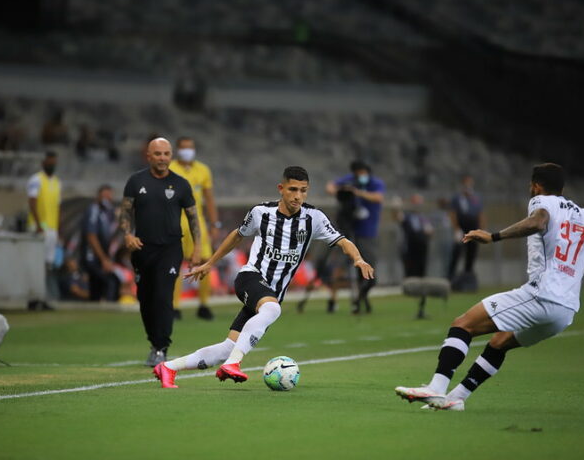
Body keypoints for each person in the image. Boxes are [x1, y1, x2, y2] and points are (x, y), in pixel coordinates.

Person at [395, 163, 584, 411]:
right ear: (562, 187)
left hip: (542, 295)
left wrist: (494, 236)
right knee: (500, 342)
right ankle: (456, 398)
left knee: (463, 324)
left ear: (535, 185)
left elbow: (538, 222)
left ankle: (436, 388)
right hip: (565, 312)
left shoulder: (541, 202)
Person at [153, 166, 375, 388]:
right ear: (281, 189)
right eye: (293, 189)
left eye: (303, 190)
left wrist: (358, 259)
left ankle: (169, 367)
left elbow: (343, 241)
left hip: (271, 294)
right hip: (251, 277)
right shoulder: (261, 213)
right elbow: (237, 235)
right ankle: (233, 364)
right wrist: (210, 263)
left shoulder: (313, 218)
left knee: (228, 347)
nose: (298, 196)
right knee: (272, 310)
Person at [119, 137, 202, 367]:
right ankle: (153, 343)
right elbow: (125, 213)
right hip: (142, 249)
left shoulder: (181, 184)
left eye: (166, 154)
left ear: (171, 156)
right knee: (146, 298)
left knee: (164, 296)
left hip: (170, 249)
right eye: (158, 154)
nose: (163, 158)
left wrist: (197, 248)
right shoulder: (136, 181)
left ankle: (161, 347)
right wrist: (127, 235)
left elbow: (193, 217)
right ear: (149, 156)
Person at [169, 136, 220, 320]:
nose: (187, 151)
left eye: (190, 147)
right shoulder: (170, 168)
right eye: (183, 147)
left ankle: (204, 305)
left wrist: (215, 224)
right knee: (175, 262)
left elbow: (209, 199)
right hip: (175, 221)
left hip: (197, 222)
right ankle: (174, 307)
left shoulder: (203, 170)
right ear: (177, 149)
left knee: (205, 261)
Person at [326, 160, 384, 314]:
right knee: (339, 265)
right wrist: (342, 190)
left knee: (367, 267)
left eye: (362, 172)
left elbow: (378, 198)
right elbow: (330, 187)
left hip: (367, 232)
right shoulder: (349, 180)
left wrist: (358, 192)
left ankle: (361, 298)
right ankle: (333, 299)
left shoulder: (375, 183)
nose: (360, 175)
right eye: (357, 173)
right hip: (347, 231)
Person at [26, 151, 62, 300]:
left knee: (48, 264)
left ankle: (43, 296)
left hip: (52, 230)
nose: (52, 165)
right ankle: (34, 295)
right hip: (39, 228)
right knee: (37, 263)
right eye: (49, 162)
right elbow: (32, 202)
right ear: (43, 163)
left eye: (54, 162)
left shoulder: (57, 182)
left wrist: (59, 229)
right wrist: (39, 224)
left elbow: (57, 207)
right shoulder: (36, 180)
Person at [80, 184, 119, 302]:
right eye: (105, 196)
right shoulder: (94, 210)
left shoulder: (108, 213)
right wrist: (104, 259)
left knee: (96, 288)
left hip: (101, 257)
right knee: (111, 282)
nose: (107, 199)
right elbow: (91, 236)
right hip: (92, 257)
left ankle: (95, 306)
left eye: (109, 196)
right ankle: (110, 310)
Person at [447, 175, 485, 288]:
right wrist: (456, 229)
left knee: (471, 253)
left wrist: (481, 229)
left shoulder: (475, 198)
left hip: (473, 227)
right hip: (462, 227)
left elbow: (480, 214)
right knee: (457, 252)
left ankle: (468, 277)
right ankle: (450, 278)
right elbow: (452, 214)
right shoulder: (457, 198)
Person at [394, 194, 433, 278]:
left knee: (421, 265)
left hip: (421, 244)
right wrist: (397, 207)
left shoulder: (423, 217)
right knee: (411, 266)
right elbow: (398, 217)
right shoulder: (407, 216)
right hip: (410, 245)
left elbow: (430, 230)